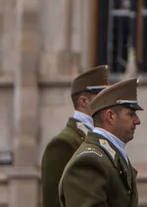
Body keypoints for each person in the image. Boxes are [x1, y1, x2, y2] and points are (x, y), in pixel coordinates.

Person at [59, 78, 142, 207]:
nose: (137, 121)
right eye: (131, 114)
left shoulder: (110, 157)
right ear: (110, 116)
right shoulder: (89, 162)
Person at [41, 66, 109, 207]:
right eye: (103, 97)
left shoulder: (103, 139)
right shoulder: (64, 144)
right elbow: (54, 201)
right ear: (84, 102)